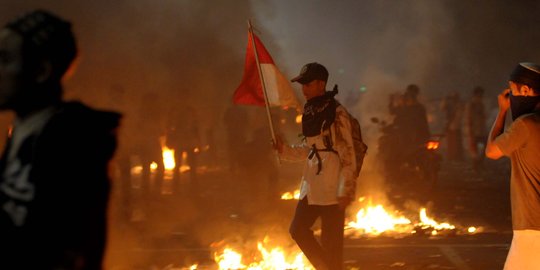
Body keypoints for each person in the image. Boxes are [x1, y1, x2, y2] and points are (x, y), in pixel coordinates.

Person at [0, 10, 121, 269]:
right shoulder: (26, 128)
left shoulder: (70, 141)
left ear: (42, 71)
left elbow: (64, 246)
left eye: (5, 59)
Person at [274, 62, 358, 270]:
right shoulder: (310, 111)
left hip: (332, 185)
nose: (304, 89)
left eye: (308, 84)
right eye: (302, 84)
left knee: (332, 245)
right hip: (311, 185)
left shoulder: (338, 113)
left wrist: (345, 188)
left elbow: (348, 153)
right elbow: (309, 149)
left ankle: (330, 267)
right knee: (298, 230)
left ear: (321, 84)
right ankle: (326, 267)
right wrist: (284, 149)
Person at [485, 62, 540, 270]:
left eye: (513, 89)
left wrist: (502, 112)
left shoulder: (526, 125)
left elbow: (491, 151)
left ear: (526, 90)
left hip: (533, 228)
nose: (511, 96)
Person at [465, 86, 487, 173]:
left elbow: (483, 117)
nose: (480, 97)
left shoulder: (481, 104)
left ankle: (479, 164)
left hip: (481, 130)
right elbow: (468, 118)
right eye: (479, 95)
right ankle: (476, 166)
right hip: (474, 131)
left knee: (485, 148)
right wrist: (470, 131)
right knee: (474, 150)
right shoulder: (471, 105)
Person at [442, 91, 464, 162]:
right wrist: (445, 99)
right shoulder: (449, 105)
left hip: (456, 127)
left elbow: (458, 116)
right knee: (451, 144)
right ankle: (451, 157)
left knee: (456, 144)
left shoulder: (458, 105)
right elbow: (443, 108)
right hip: (451, 127)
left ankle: (457, 157)